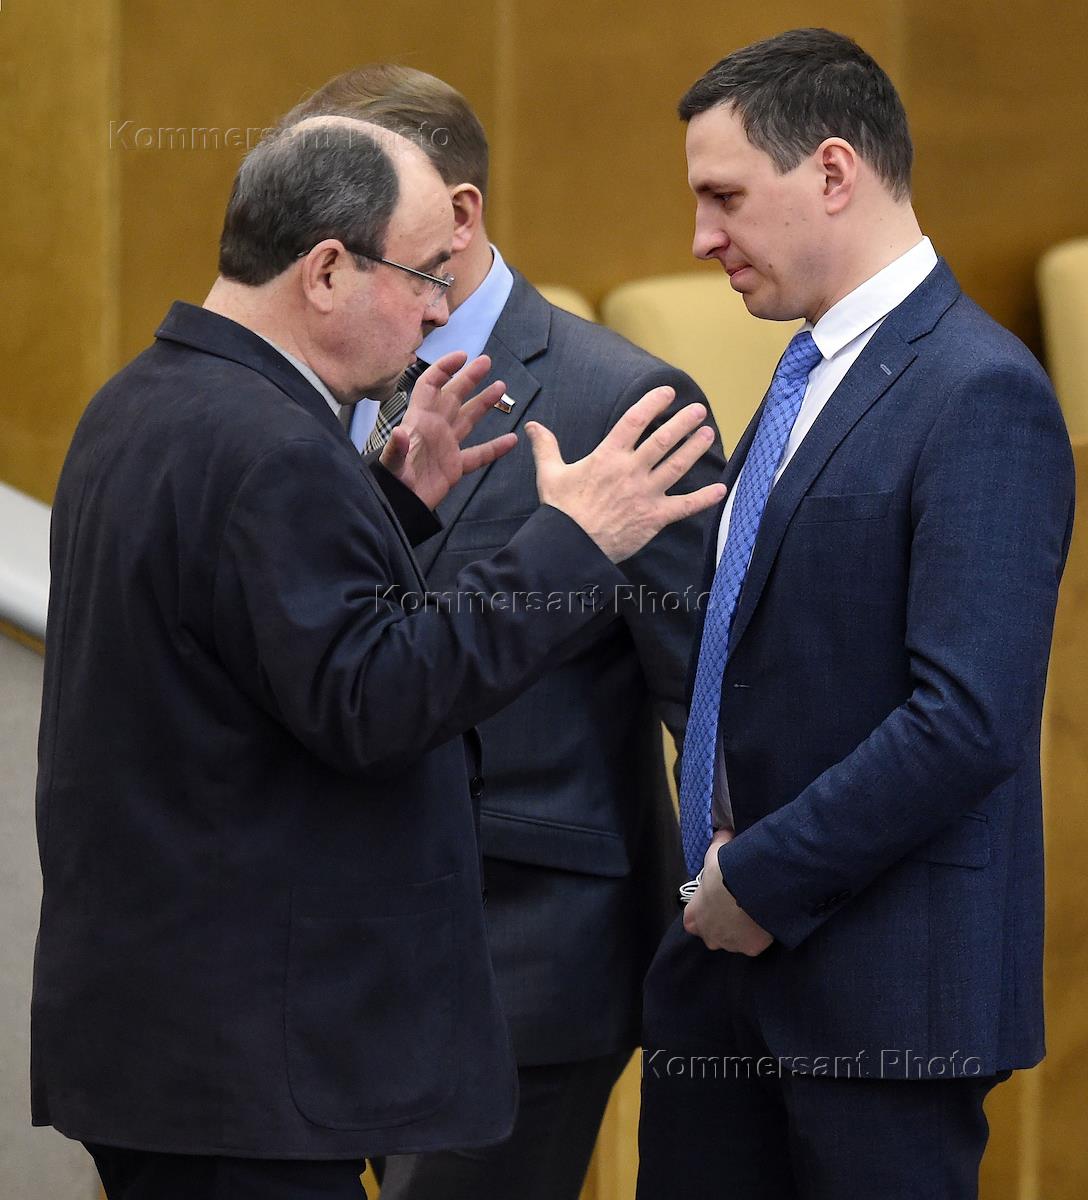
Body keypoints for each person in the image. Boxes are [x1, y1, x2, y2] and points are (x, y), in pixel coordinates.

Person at [30, 115, 726, 1200]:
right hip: (249, 1056)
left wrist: (389, 510)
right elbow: (376, 702)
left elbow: (255, 641)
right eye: (423, 277)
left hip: (157, 1034)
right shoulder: (276, 449)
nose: (440, 311)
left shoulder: (139, 404)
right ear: (324, 271)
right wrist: (573, 539)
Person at [638, 28, 1075, 1200]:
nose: (701, 239)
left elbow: (966, 720)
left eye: (724, 197)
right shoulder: (802, 374)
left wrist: (757, 881)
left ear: (832, 170)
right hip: (718, 985)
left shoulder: (980, 390)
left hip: (878, 1009)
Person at [279, 67, 726, 1200]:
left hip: (529, 960)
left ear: (458, 214)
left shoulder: (624, 400)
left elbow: (703, 690)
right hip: (323, 957)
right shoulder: (310, 380)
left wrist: (737, 898)